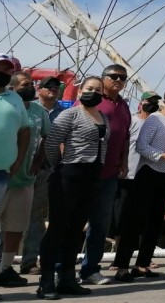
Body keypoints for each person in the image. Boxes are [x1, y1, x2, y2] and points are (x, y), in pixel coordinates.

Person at [39, 76, 110, 300]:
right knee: (58, 227)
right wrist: (58, 165)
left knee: (77, 227)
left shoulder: (104, 117)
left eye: (98, 90)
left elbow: (104, 146)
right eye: (89, 88)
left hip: (91, 176)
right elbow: (51, 142)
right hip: (68, 173)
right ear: (80, 92)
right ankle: (47, 280)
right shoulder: (70, 114)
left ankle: (67, 278)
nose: (94, 92)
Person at [113, 93, 165, 281]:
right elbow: (141, 145)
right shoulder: (154, 119)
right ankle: (121, 265)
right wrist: (162, 155)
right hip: (148, 173)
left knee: (155, 223)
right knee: (134, 221)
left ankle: (142, 264)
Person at [0, 72, 49, 289]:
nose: (30, 87)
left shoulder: (35, 110)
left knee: (16, 226)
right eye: (26, 84)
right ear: (13, 87)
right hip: (1, 175)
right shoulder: (6, 102)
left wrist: (34, 163)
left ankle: (6, 269)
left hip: (24, 177)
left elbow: (41, 136)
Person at [78, 65, 132, 287]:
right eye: (114, 77)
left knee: (100, 225)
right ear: (103, 78)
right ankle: (61, 269)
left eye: (123, 77)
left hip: (109, 174)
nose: (118, 80)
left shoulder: (124, 105)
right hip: (86, 172)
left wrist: (125, 163)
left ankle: (91, 269)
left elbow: (126, 137)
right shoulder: (93, 101)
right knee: (75, 221)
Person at [19, 76, 64, 276]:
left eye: (57, 86)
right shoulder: (27, 107)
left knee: (37, 217)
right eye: (49, 86)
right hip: (19, 168)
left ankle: (29, 260)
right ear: (40, 89)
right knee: (6, 216)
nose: (53, 89)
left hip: (47, 170)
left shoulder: (64, 113)